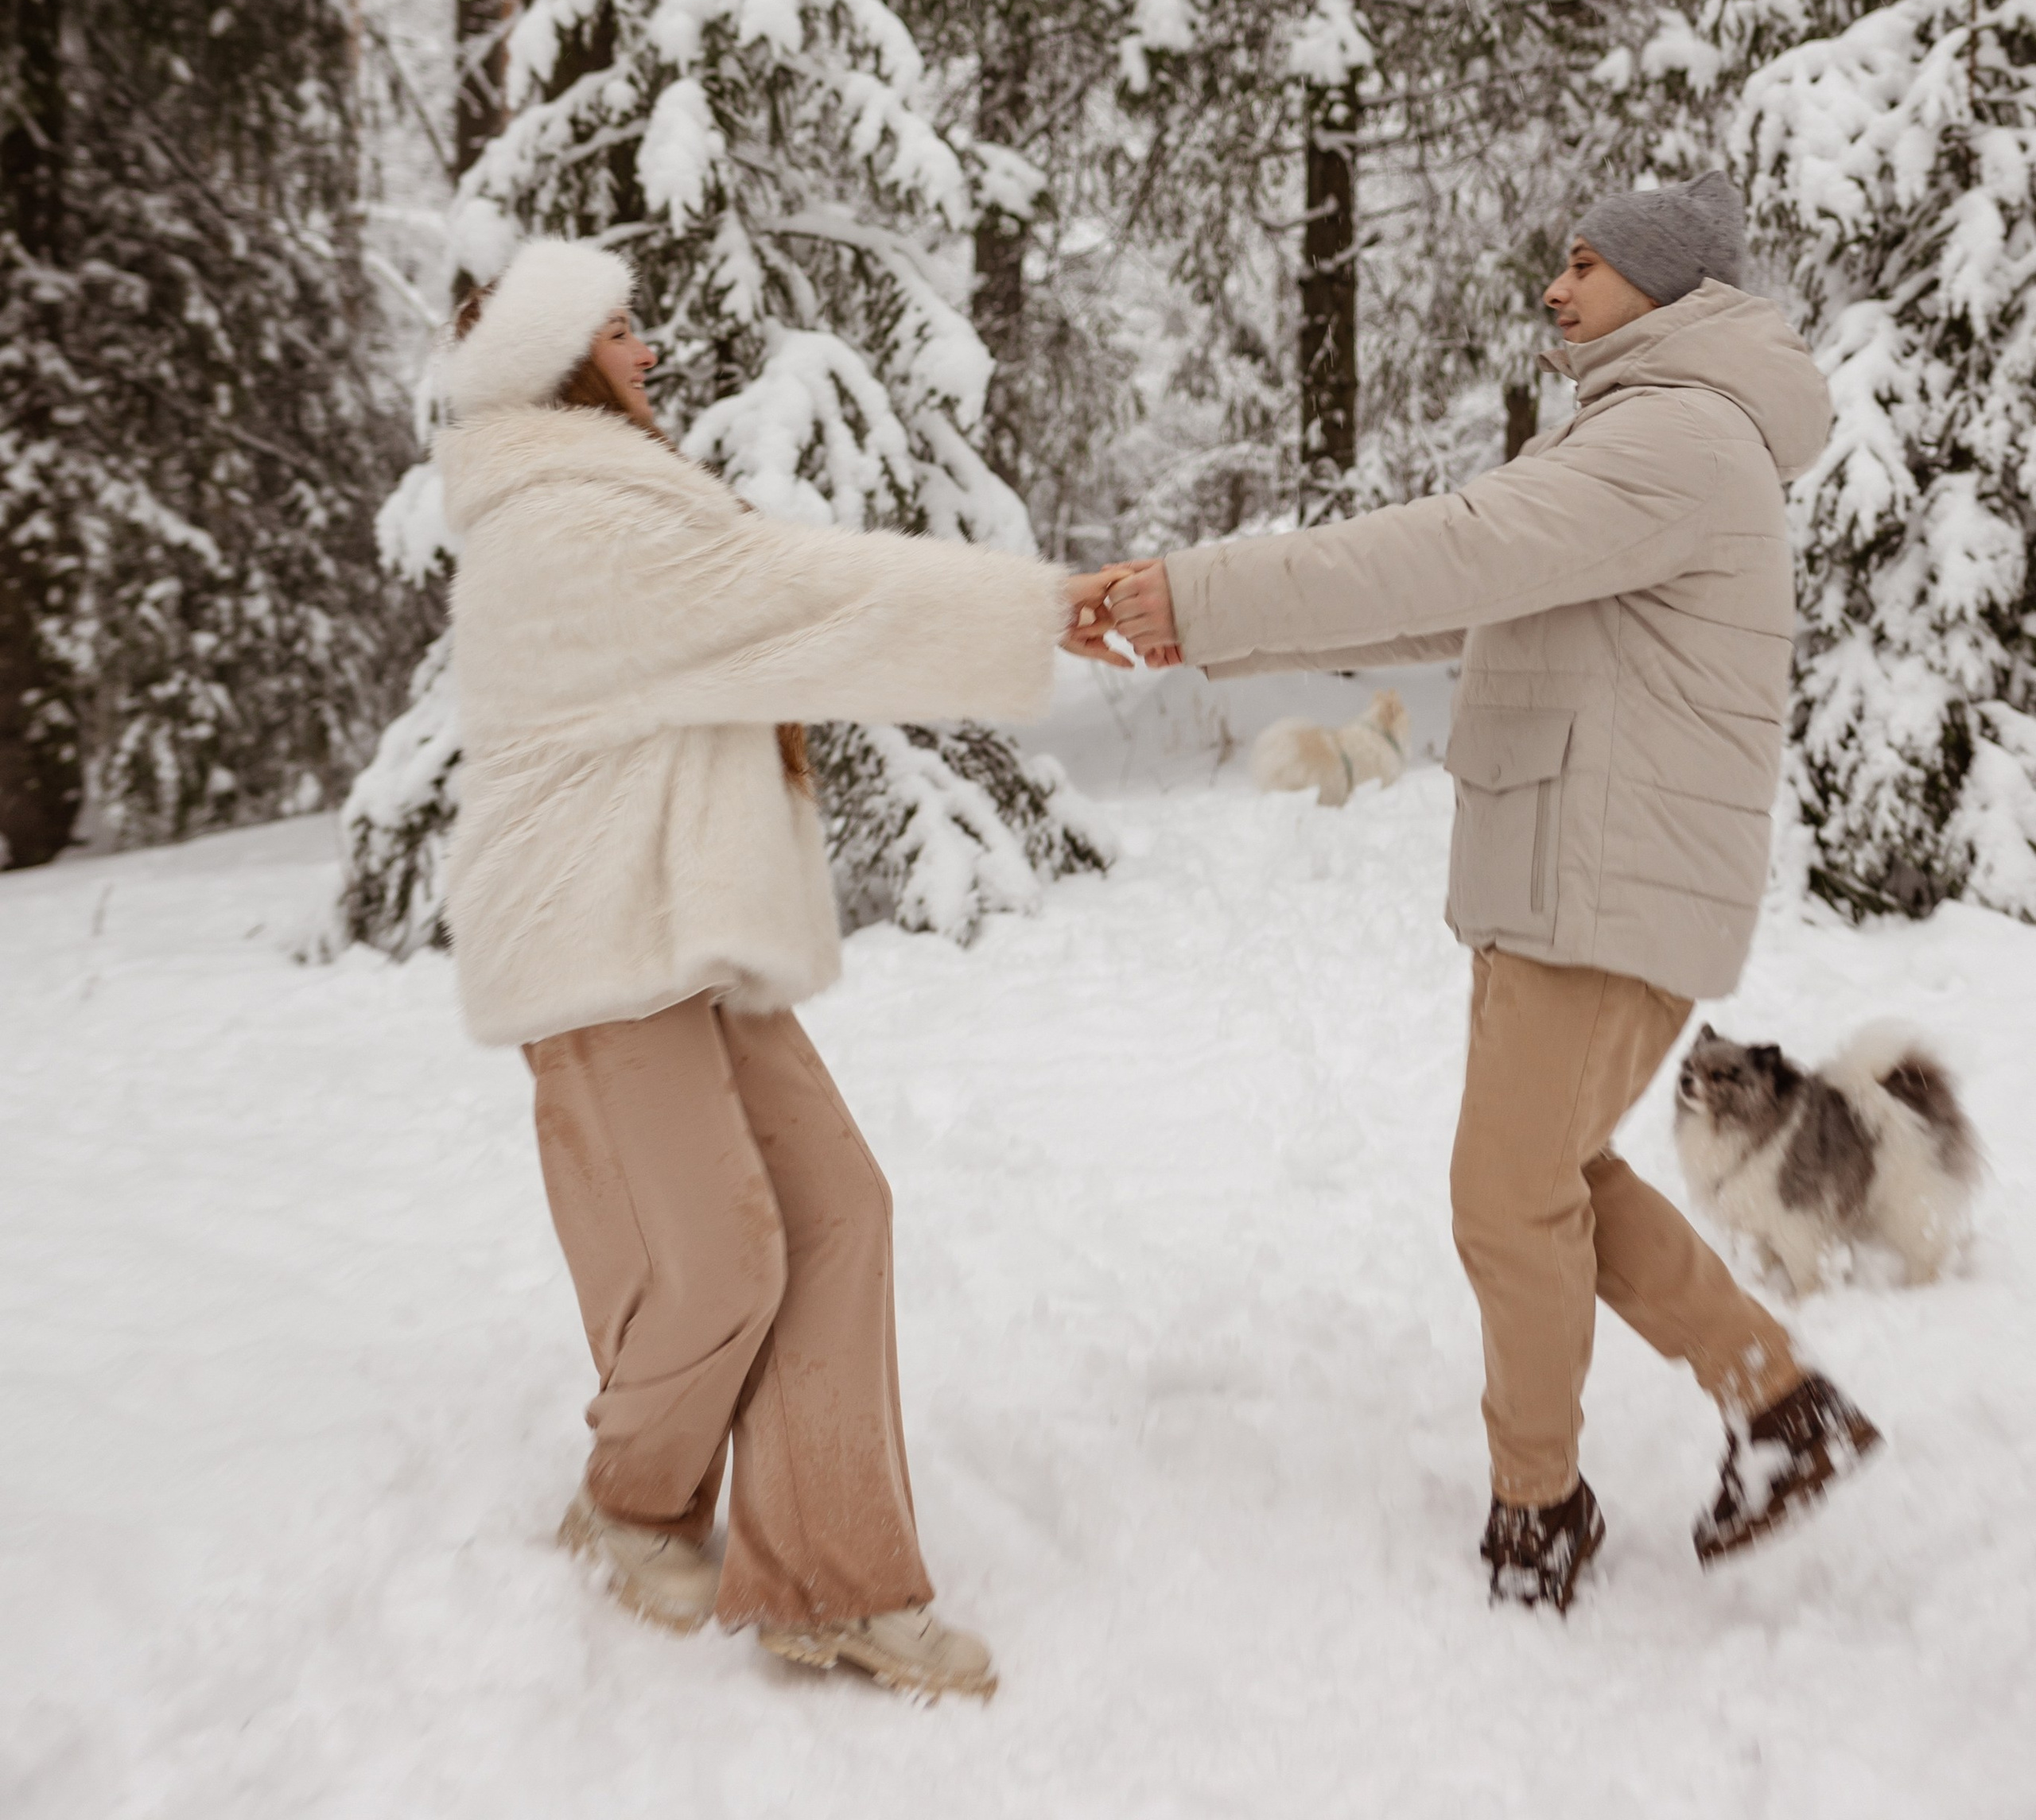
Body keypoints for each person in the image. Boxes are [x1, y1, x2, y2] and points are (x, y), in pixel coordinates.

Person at [1067, 169, 1883, 1612]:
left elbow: (1448, 547)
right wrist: (1204, 637)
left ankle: (1542, 1507)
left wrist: (1195, 595)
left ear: (1669, 289)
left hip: (1603, 879)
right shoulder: (1648, 435)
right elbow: (1463, 597)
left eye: (1584, 264)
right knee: (1550, 1181)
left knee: (1507, 1200)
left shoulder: (1674, 439)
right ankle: (1778, 1407)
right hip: (1581, 874)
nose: (1555, 291)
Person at [440, 235, 1069, 1698]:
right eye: (619, 333)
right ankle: (631, 1501)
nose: (647, 350)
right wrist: (1041, 611)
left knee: (839, 1208)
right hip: (595, 942)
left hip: (681, 933)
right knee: (722, 1257)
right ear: (558, 363)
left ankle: (833, 1585)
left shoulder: (617, 499)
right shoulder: (560, 521)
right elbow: (784, 599)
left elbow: (756, 613)